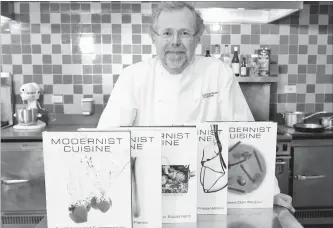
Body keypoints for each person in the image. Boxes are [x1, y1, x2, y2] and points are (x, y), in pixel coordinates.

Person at [98, 1, 295, 213]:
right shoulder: (133, 77)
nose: (175, 42)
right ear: (153, 36)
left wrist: (269, 191)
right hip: (149, 193)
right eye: (167, 33)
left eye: (185, 33)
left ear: (197, 38)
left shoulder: (217, 72)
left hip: (206, 192)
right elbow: (108, 139)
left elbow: (245, 133)